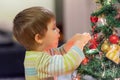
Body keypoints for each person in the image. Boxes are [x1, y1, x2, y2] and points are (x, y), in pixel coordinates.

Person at [13, 6, 91, 80]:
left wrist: (71, 43)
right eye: (53, 28)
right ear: (39, 38)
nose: (58, 30)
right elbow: (66, 65)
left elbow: (59, 53)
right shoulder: (38, 60)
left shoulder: (44, 52)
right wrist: (79, 44)